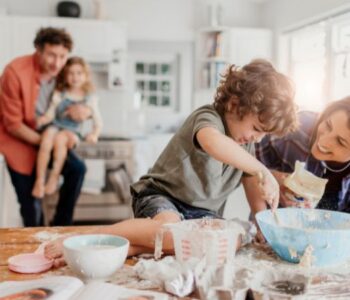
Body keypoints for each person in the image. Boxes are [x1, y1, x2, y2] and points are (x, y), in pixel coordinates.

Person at [44, 59, 297, 267]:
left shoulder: (246, 146)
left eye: (264, 134)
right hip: (162, 198)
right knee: (169, 231)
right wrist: (262, 168)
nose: (257, 138)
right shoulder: (209, 118)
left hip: (201, 217)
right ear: (234, 104)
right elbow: (213, 143)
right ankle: (86, 238)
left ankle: (126, 248)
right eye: (256, 128)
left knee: (225, 243)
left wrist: (265, 223)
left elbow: (252, 182)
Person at [0, 27, 92, 226]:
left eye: (62, 56)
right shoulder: (14, 72)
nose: (57, 63)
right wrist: (47, 142)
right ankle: (35, 245)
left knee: (77, 169)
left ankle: (61, 228)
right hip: (18, 140)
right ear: (39, 50)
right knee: (31, 207)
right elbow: (13, 124)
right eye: (51, 55)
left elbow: (81, 96)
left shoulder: (63, 71)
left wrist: (86, 112)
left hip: (51, 135)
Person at [248, 96, 350, 218]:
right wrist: (273, 179)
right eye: (328, 125)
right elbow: (247, 163)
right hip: (272, 218)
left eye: (340, 142)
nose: (323, 141)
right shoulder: (297, 126)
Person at [32, 57, 102, 199]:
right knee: (46, 140)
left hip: (73, 131)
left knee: (60, 139)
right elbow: (51, 113)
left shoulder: (89, 97)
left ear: (86, 76)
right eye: (70, 73)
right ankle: (39, 181)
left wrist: (94, 134)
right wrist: (42, 119)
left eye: (79, 73)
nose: (75, 77)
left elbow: (98, 121)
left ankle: (54, 176)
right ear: (65, 75)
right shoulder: (60, 93)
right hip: (56, 125)